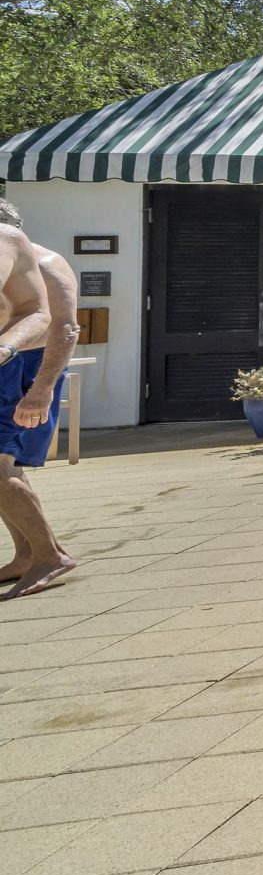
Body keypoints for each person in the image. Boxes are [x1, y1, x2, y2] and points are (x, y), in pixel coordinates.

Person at [0, 203, 78, 598]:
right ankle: (27, 553)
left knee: (1, 467)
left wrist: (42, 389)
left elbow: (64, 328)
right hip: (11, 361)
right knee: (5, 467)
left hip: (29, 364)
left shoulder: (45, 262)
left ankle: (48, 555)